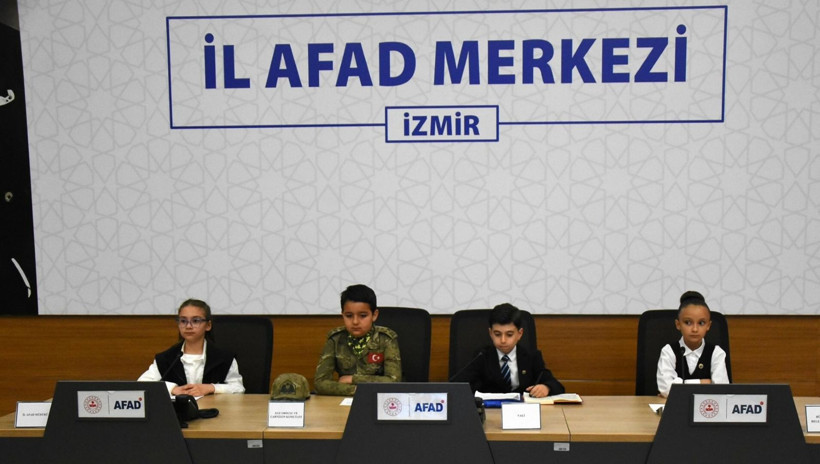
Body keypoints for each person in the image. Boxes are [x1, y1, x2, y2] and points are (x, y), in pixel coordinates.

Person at [454, 303, 564, 398]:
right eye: (497, 334)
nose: (503, 340)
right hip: (492, 411)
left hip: (523, 411)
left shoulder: (532, 356)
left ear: (519, 334)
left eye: (509, 334)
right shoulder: (482, 356)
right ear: (490, 333)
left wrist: (546, 387)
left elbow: (556, 385)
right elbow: (459, 385)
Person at [138, 299, 245, 396]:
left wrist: (211, 388)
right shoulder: (166, 358)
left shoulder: (224, 358)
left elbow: (238, 388)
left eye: (195, 321)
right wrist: (172, 388)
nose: (188, 326)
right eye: (183, 321)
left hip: (215, 409)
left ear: (208, 325)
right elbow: (142, 384)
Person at [314, 284, 401, 396]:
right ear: (342, 315)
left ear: (374, 315)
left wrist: (353, 379)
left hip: (379, 398)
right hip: (344, 399)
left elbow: (394, 381)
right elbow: (320, 383)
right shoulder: (335, 339)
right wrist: (355, 390)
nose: (355, 322)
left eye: (363, 315)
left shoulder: (386, 339)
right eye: (349, 316)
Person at [656, 291, 729, 397]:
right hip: (676, 406)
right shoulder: (668, 351)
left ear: (708, 326)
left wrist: (679, 386)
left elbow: (721, 390)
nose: (695, 329)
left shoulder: (716, 353)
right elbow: (666, 389)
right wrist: (702, 383)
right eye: (688, 322)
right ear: (678, 324)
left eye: (701, 323)